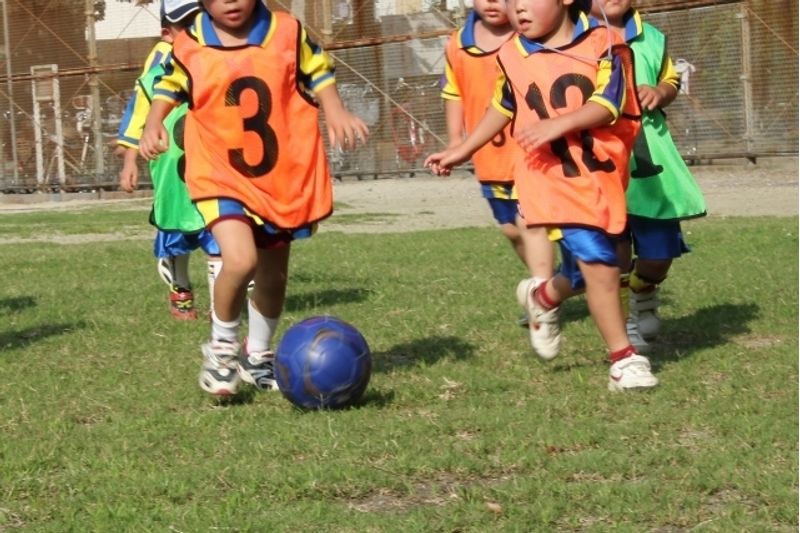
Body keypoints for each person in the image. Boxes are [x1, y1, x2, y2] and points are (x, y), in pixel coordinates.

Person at [425, 0, 658, 391]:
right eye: (512, 2)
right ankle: (624, 360)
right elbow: (503, 104)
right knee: (599, 263)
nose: (519, 10)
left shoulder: (606, 43)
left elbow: (611, 100)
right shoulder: (512, 53)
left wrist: (559, 124)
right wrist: (462, 149)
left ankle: (546, 297)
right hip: (548, 179)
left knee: (609, 264)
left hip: (600, 177)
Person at [139, 0, 369, 396]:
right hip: (218, 173)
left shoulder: (287, 32)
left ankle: (258, 356)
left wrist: (334, 109)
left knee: (273, 274)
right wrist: (154, 121)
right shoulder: (190, 42)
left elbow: (318, 71)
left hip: (279, 178)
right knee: (240, 259)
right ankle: (222, 349)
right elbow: (169, 84)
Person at [589, 0, 706, 351]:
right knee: (615, 250)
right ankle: (625, 328)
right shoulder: (569, 38)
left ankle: (645, 289)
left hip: (650, 166)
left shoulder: (653, 37)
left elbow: (669, 79)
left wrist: (660, 92)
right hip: (602, 164)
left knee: (659, 255)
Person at [439, 0, 553, 327]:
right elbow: (454, 92)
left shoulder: (531, 37)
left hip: (532, 153)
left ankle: (545, 297)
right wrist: (455, 140)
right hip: (490, 158)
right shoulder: (457, 43)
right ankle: (544, 282)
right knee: (511, 229)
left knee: (534, 225)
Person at [117, 0, 220, 321]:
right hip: (171, 171)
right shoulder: (158, 68)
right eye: (184, 24)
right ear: (167, 33)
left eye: (199, 20)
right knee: (177, 235)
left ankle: (221, 311)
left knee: (218, 235)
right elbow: (139, 113)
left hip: (212, 166)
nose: (193, 29)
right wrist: (130, 160)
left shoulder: (218, 57)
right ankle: (181, 292)